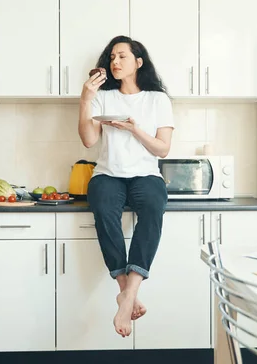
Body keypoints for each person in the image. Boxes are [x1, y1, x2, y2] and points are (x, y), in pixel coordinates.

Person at [78, 35, 174, 338]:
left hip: (146, 174)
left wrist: (134, 128)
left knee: (153, 209)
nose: (115, 62)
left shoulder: (158, 99)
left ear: (138, 62)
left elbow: (162, 150)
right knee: (104, 208)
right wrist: (85, 99)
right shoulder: (103, 97)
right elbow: (89, 140)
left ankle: (127, 295)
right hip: (108, 174)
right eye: (112, 58)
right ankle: (127, 292)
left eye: (122, 57)